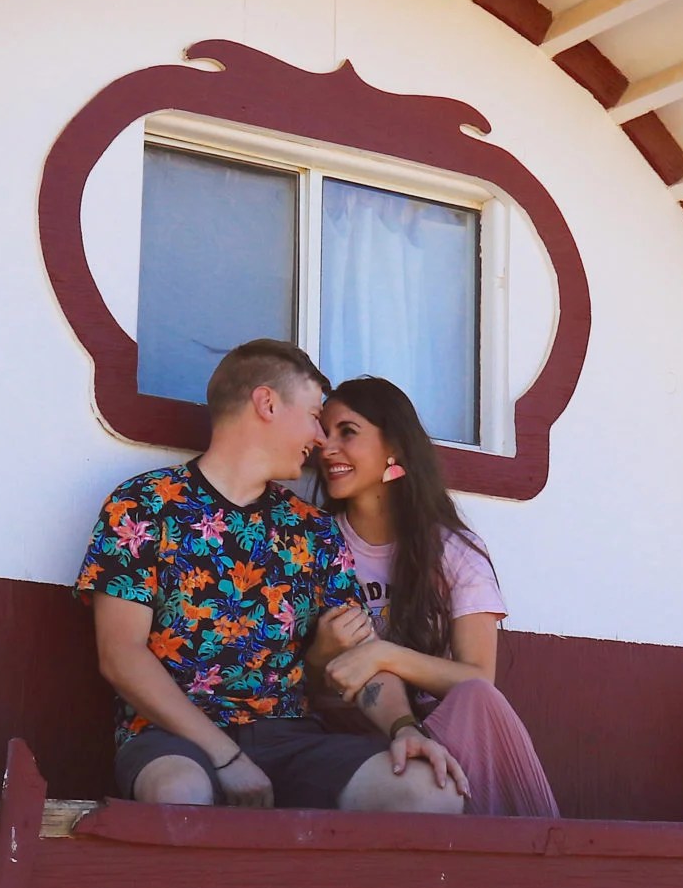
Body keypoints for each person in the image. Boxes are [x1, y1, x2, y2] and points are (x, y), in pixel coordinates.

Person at [76, 339, 469, 812]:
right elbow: (120, 655)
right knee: (180, 794)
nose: (321, 441)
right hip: (171, 736)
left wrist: (403, 729)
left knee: (430, 791)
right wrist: (227, 757)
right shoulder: (143, 505)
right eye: (313, 417)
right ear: (266, 404)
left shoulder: (314, 530)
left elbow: (361, 657)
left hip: (291, 738)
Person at [310, 375, 560, 818]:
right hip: (345, 732)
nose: (326, 447)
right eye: (323, 432)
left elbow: (479, 679)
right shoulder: (313, 545)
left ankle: (523, 865)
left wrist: (383, 655)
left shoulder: (454, 552)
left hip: (449, 733)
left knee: (478, 700)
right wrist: (322, 656)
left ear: (395, 448)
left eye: (347, 432)